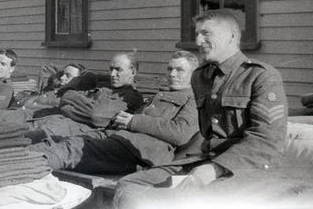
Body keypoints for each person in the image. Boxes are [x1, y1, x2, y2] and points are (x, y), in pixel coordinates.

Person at [114, 9, 288, 208]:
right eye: (197, 34)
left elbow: (267, 140)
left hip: (246, 170)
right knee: (130, 185)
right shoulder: (201, 77)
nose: (198, 42)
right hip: (204, 161)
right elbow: (205, 135)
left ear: (231, 35)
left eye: (206, 33)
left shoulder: (261, 76)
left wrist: (214, 169)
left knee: (179, 200)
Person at [28, 51, 199, 175]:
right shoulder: (163, 94)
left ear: (193, 75)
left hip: (140, 151)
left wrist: (133, 121)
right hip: (117, 137)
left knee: (70, 149)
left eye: (179, 70)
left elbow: (180, 133)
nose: (172, 74)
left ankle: (17, 170)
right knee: (58, 141)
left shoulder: (193, 100)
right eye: (169, 69)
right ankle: (11, 160)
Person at [28, 52, 144, 141]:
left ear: (133, 72)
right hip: (53, 123)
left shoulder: (131, 98)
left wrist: (73, 104)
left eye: (118, 70)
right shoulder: (103, 90)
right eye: (111, 69)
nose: (112, 74)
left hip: (71, 134)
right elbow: (65, 99)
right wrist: (78, 107)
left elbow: (95, 115)